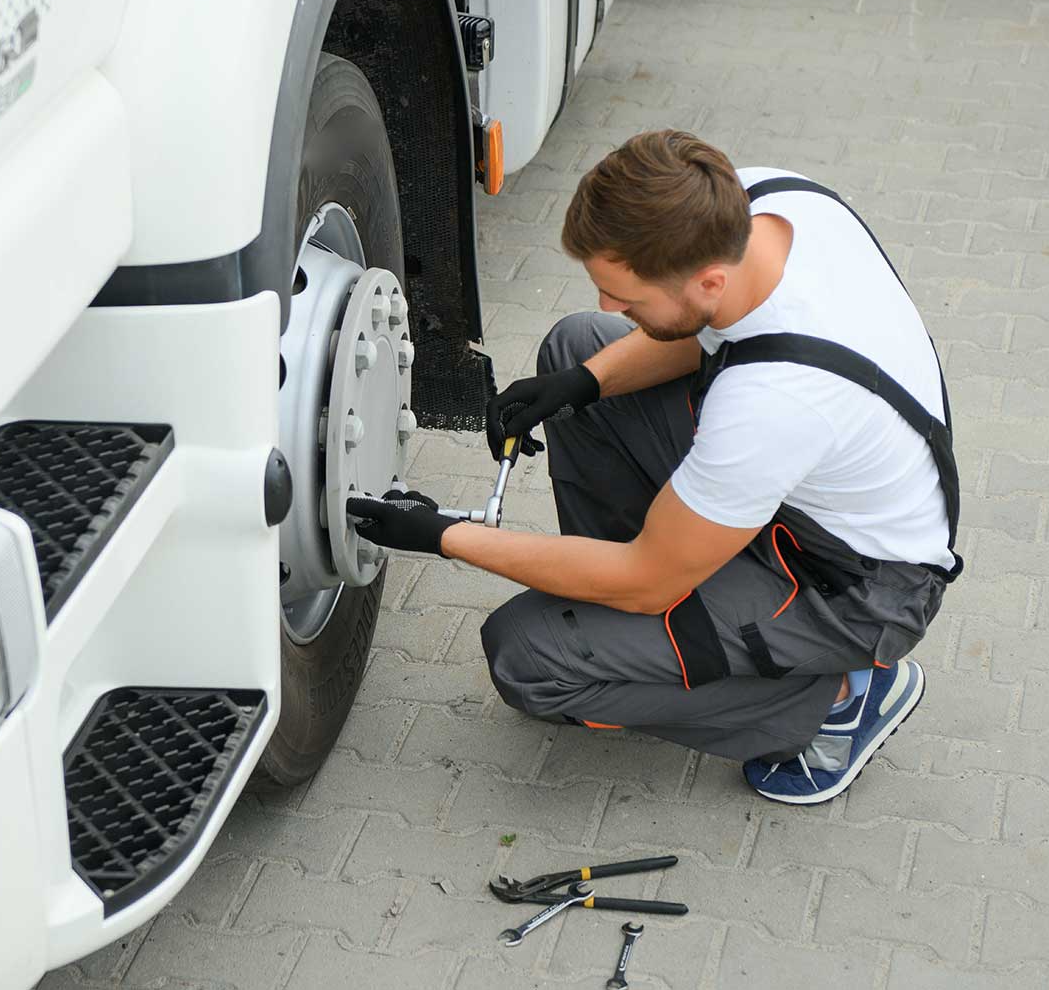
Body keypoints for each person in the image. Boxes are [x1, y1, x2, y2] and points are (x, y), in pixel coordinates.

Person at [347, 130, 962, 804]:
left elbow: (646, 582)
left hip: (850, 592)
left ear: (707, 278)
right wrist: (581, 382)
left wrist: (441, 535)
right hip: (803, 498)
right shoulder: (762, 203)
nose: (614, 307)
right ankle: (646, 621)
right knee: (579, 346)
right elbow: (710, 330)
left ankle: (834, 701)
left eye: (629, 297)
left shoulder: (777, 404)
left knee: (526, 659)